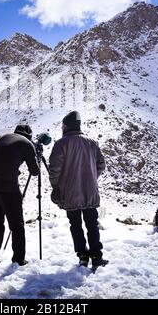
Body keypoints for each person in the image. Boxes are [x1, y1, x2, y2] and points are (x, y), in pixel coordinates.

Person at [48, 111, 108, 270]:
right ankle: (96, 257)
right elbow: (101, 165)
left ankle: (82, 256)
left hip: (70, 193)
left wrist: (56, 187)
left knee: (75, 224)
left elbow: (54, 169)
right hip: (90, 191)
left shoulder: (61, 143)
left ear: (66, 126)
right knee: (92, 224)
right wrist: (91, 178)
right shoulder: (92, 142)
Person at [0, 124, 39, 266]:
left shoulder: (5, 138)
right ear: (30, 136)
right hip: (8, 187)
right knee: (17, 225)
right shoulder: (27, 144)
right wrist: (36, 155)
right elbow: (35, 171)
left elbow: (3, 161)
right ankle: (18, 259)